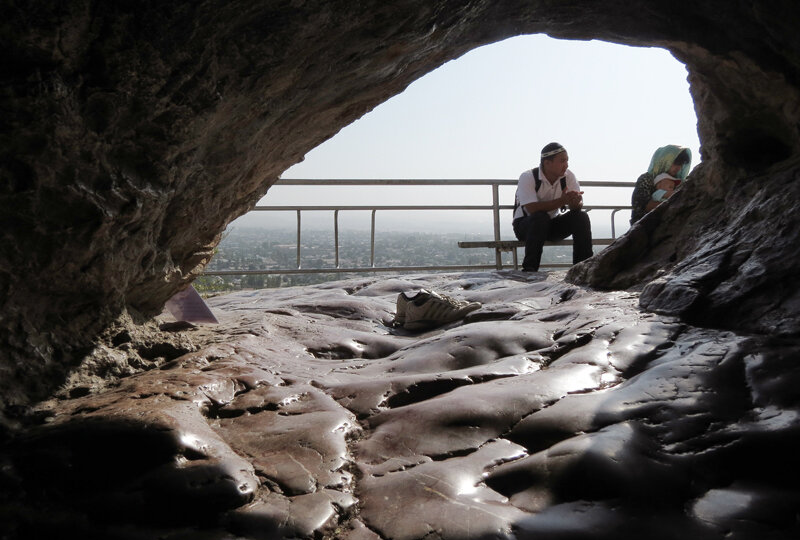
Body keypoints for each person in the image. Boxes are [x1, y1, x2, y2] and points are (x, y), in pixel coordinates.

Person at [512, 142, 593, 272]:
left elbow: (576, 206)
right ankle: (530, 270)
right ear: (547, 163)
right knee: (540, 217)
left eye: (567, 160)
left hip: (551, 225)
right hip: (526, 226)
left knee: (581, 217)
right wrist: (562, 201)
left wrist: (575, 202)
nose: (566, 165)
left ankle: (583, 270)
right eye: (562, 161)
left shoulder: (568, 176)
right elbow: (532, 209)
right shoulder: (528, 177)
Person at [630, 145, 692, 224]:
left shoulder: (677, 181)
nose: (678, 168)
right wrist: (675, 207)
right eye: (676, 163)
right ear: (664, 160)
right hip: (643, 224)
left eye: (681, 164)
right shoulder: (646, 179)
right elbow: (645, 206)